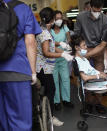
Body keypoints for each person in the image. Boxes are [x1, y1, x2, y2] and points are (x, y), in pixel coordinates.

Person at [0, 0, 41, 130]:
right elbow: (30, 42)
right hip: (18, 70)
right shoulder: (23, 8)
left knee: (2, 120)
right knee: (20, 121)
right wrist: (33, 72)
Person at [70, 35, 107, 119]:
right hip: (96, 83)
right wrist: (99, 75)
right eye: (84, 45)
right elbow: (85, 78)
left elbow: (90, 71)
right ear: (77, 47)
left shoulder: (83, 59)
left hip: (98, 80)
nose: (86, 47)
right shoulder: (78, 61)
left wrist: (101, 73)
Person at [36, 7, 73, 126]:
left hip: (41, 67)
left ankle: (46, 114)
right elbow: (46, 52)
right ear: (52, 19)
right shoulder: (45, 32)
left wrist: (62, 49)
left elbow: (51, 46)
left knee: (47, 90)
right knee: (51, 91)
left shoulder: (41, 29)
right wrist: (61, 54)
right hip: (44, 68)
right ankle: (50, 117)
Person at [51, 10, 74, 110]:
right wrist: (60, 43)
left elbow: (68, 37)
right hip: (52, 58)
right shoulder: (49, 30)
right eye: (57, 18)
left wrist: (68, 43)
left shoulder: (64, 27)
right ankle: (56, 101)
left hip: (63, 57)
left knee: (65, 79)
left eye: (61, 18)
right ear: (53, 19)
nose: (59, 20)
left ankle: (66, 100)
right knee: (55, 80)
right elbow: (50, 42)